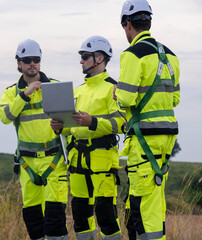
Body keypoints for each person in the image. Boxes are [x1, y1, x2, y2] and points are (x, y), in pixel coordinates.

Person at [114, 0, 180, 239]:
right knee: (155, 198)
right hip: (166, 137)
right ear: (149, 21)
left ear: (127, 24)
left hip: (144, 140)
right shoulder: (171, 56)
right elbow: (175, 99)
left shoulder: (132, 54)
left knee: (143, 206)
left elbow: (125, 98)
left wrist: (116, 93)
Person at [51, 36, 125, 240]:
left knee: (106, 214)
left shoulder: (113, 88)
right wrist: (60, 127)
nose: (81, 61)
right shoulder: (77, 91)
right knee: (80, 215)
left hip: (102, 159)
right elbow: (72, 128)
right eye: (81, 57)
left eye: (85, 56)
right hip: (77, 160)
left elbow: (121, 123)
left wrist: (92, 122)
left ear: (99, 58)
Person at [0, 39, 68, 240]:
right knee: (33, 221)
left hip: (53, 161)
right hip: (27, 164)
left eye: (36, 59)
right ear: (18, 63)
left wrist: (63, 125)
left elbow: (70, 121)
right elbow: (5, 117)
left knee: (55, 220)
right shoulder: (11, 93)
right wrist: (25, 94)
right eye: (27, 60)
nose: (32, 64)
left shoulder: (55, 87)